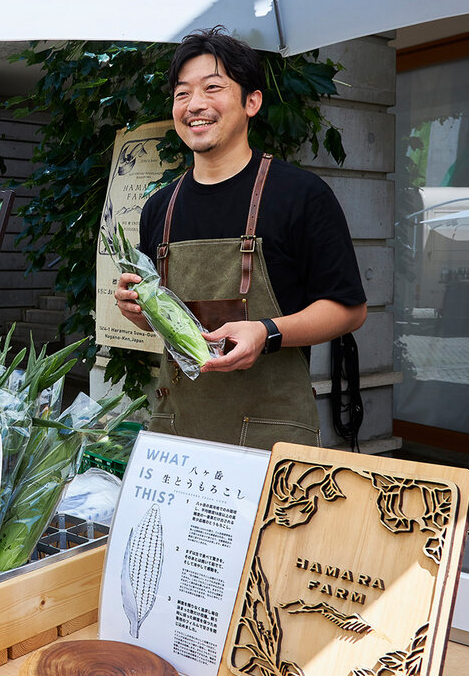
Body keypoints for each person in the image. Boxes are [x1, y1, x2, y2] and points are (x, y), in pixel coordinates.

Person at [113, 27, 366, 447]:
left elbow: (348, 309)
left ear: (252, 101)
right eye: (182, 93)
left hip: (273, 439)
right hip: (178, 432)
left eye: (213, 88)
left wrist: (267, 332)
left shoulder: (301, 195)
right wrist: (137, 309)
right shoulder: (159, 207)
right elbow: (167, 318)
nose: (195, 105)